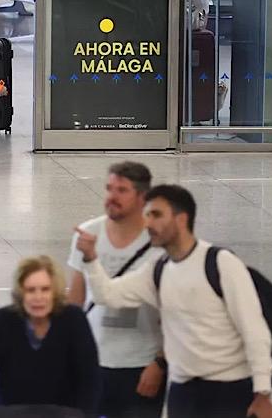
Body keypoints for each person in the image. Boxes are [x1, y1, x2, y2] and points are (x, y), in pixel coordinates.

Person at [74, 185, 272, 418]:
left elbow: (254, 330)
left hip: (227, 389)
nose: (148, 224)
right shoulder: (158, 270)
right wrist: (90, 258)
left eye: (157, 215)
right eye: (147, 215)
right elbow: (107, 295)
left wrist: (263, 393)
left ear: (181, 219)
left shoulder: (221, 263)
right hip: (182, 392)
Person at [65, 162, 165, 418]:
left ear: (143, 197)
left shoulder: (160, 244)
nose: (112, 196)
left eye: (122, 190)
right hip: (93, 363)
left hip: (141, 366)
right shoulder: (88, 234)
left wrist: (159, 363)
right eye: (109, 188)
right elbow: (75, 301)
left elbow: (174, 312)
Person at [0, 256, 100, 414]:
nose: (38, 298)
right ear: (21, 292)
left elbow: (90, 377)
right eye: (30, 290)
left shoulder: (74, 319)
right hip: (10, 413)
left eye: (45, 289)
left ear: (55, 292)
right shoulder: (1, 320)